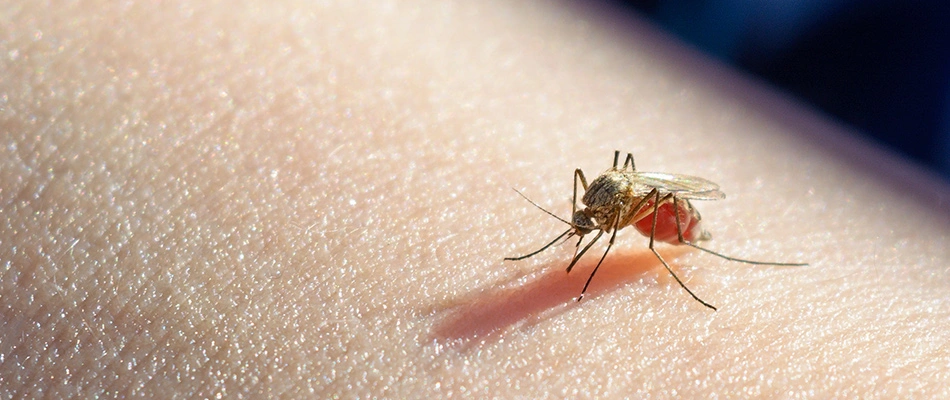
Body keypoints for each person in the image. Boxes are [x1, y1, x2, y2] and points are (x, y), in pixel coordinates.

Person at [3, 0, 948, 397]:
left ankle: (697, 274)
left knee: (647, 236)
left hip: (683, 204)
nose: (584, 225)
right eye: (586, 221)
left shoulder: (632, 209)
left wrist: (643, 240)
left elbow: (651, 203)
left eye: (588, 221)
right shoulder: (598, 199)